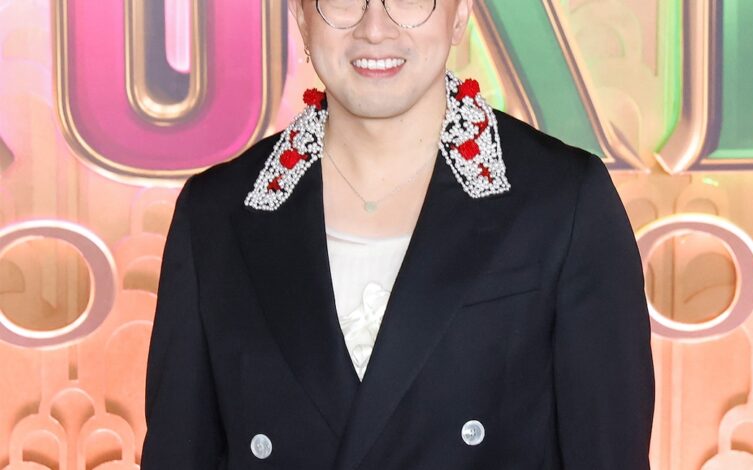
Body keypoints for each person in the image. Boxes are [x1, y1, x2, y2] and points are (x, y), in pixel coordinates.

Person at [139, 0, 655, 468]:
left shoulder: (562, 203)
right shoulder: (216, 215)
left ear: (459, 15)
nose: (375, 28)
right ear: (301, 17)